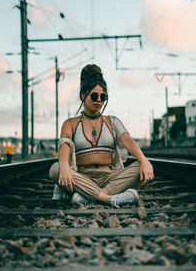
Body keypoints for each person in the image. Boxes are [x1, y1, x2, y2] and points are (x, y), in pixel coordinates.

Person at [49, 64, 154, 208]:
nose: (99, 100)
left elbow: (127, 140)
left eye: (102, 96)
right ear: (83, 96)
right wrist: (65, 167)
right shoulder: (71, 123)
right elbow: (64, 145)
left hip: (110, 178)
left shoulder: (113, 121)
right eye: (94, 95)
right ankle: (110, 199)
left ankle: (91, 197)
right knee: (56, 169)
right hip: (83, 178)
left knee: (140, 166)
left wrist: (144, 160)